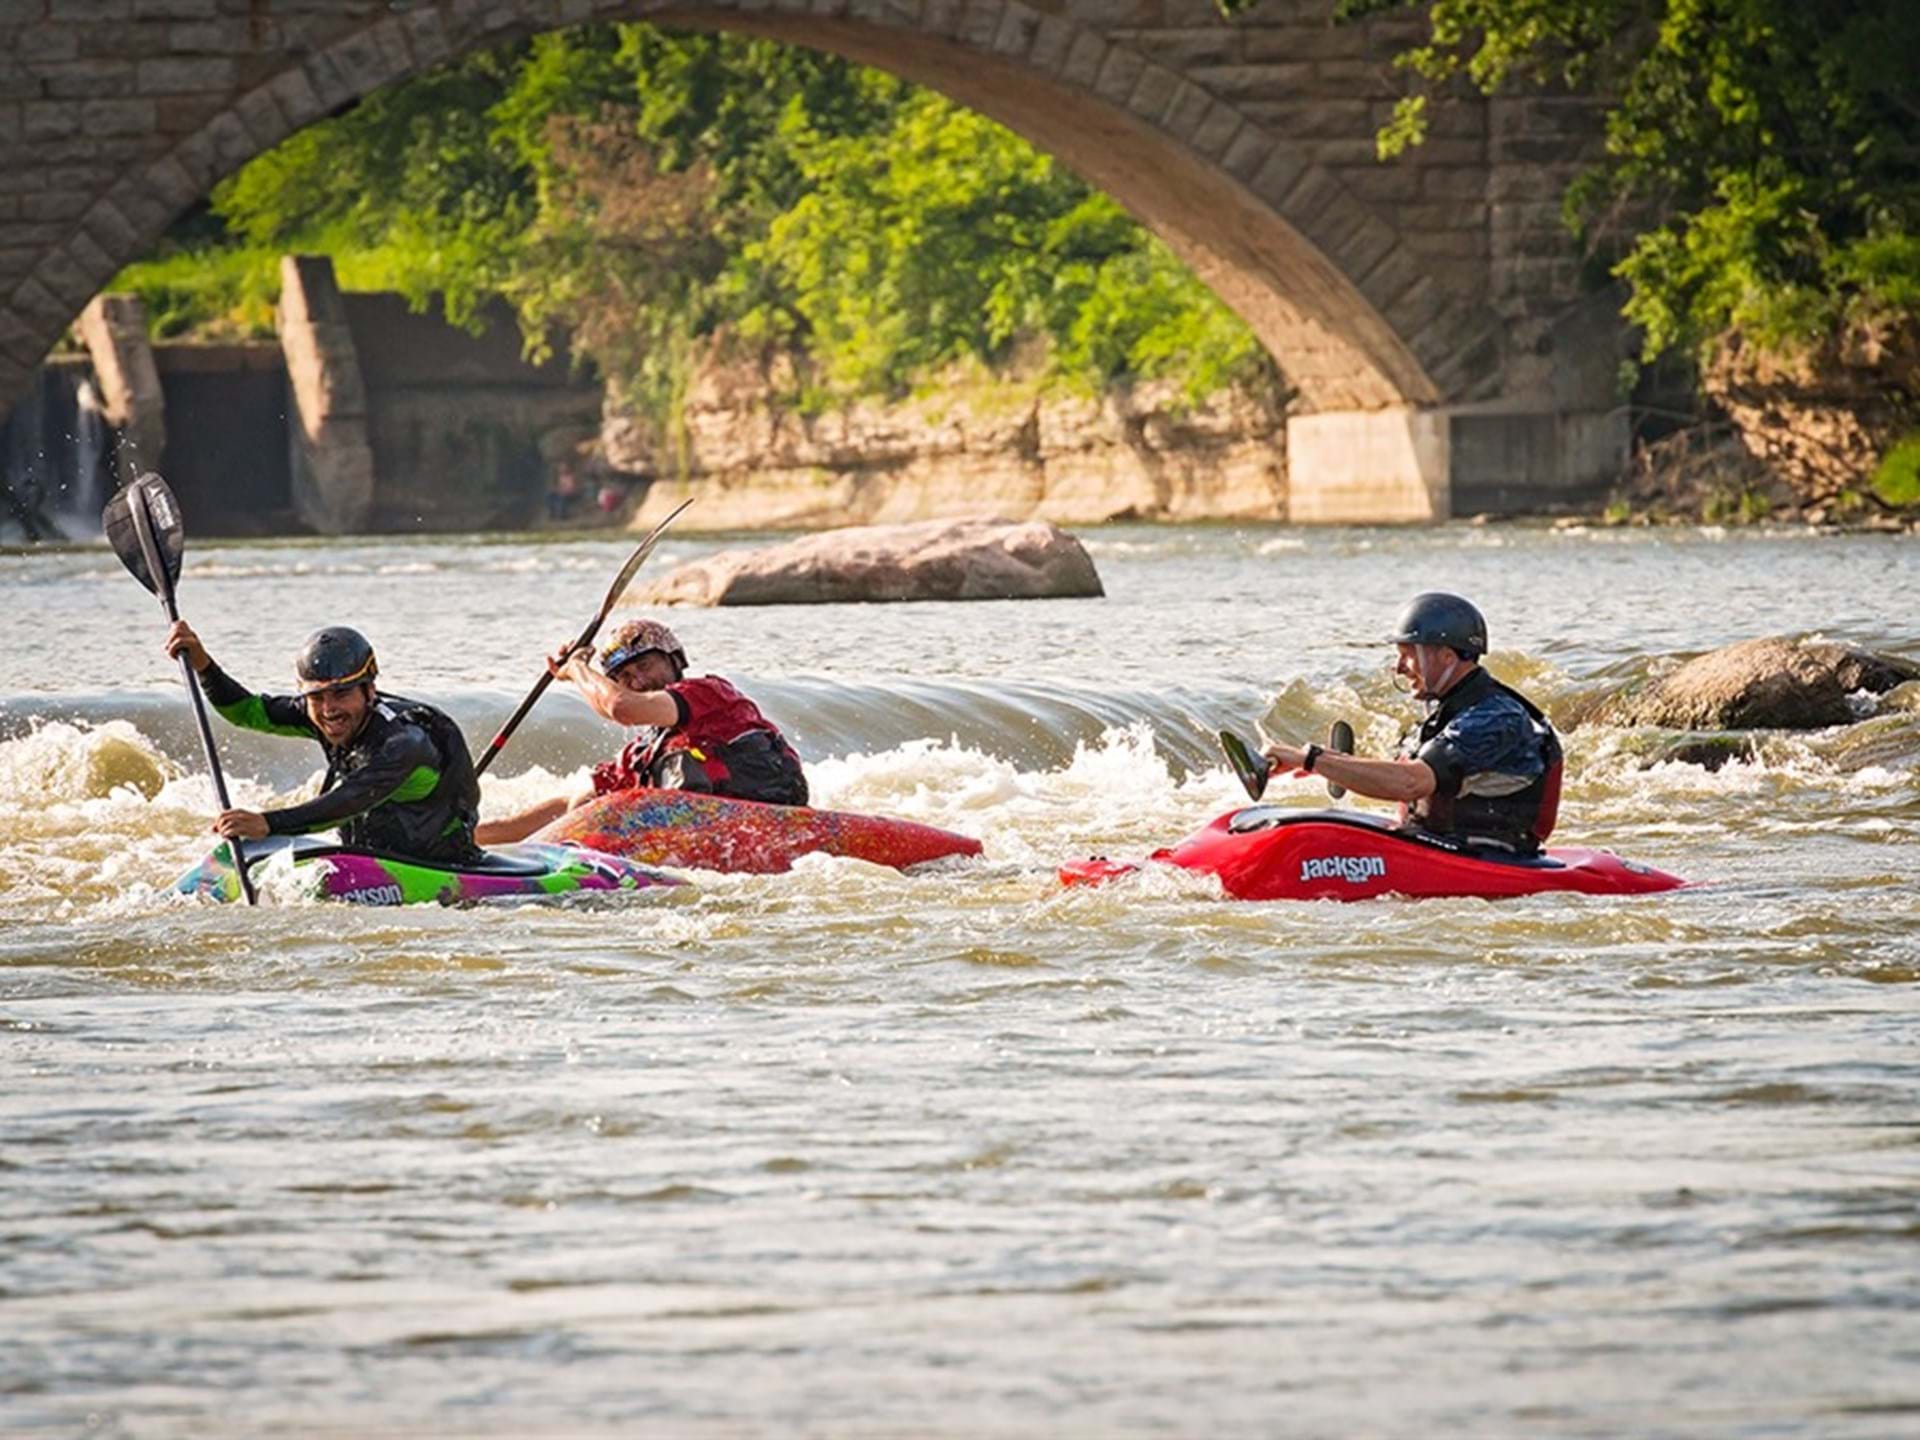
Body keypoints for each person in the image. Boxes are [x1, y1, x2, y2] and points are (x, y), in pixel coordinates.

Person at [1261, 592, 1563, 852]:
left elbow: (1410, 782)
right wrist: (1326, 764)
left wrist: (1311, 759)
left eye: (1407, 655)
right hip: (1441, 846)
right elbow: (1405, 773)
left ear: (1447, 657)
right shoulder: (1444, 711)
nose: (1399, 668)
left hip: (1488, 859)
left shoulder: (1494, 718)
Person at [165, 621, 483, 863]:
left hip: (441, 861)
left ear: (369, 691)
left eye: (341, 693)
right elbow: (246, 711)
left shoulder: (402, 743)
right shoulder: (321, 714)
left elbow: (348, 801)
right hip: (373, 855)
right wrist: (202, 664)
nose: (329, 709)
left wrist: (267, 823)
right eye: (316, 696)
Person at [475, 617, 808, 844]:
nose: (638, 682)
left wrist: (576, 668)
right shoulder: (644, 753)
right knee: (584, 801)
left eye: (645, 666)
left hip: (767, 824)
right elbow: (567, 808)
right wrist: (470, 835)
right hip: (701, 843)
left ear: (675, 660)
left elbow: (622, 708)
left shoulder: (709, 693)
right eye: (625, 678)